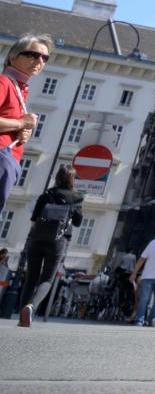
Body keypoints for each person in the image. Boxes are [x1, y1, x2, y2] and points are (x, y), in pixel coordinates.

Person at [18, 165, 83, 326]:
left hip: (37, 238)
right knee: (47, 279)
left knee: (31, 278)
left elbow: (34, 218)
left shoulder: (46, 195)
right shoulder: (76, 198)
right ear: (72, 179)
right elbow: (77, 222)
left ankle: (22, 318)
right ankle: (31, 306)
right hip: (58, 241)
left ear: (57, 177)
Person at [0, 35, 50, 207]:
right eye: (33, 55)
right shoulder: (4, 82)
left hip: (9, 159)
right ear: (13, 56)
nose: (39, 61)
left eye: (45, 58)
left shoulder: (19, 88)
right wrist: (21, 124)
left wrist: (21, 129)